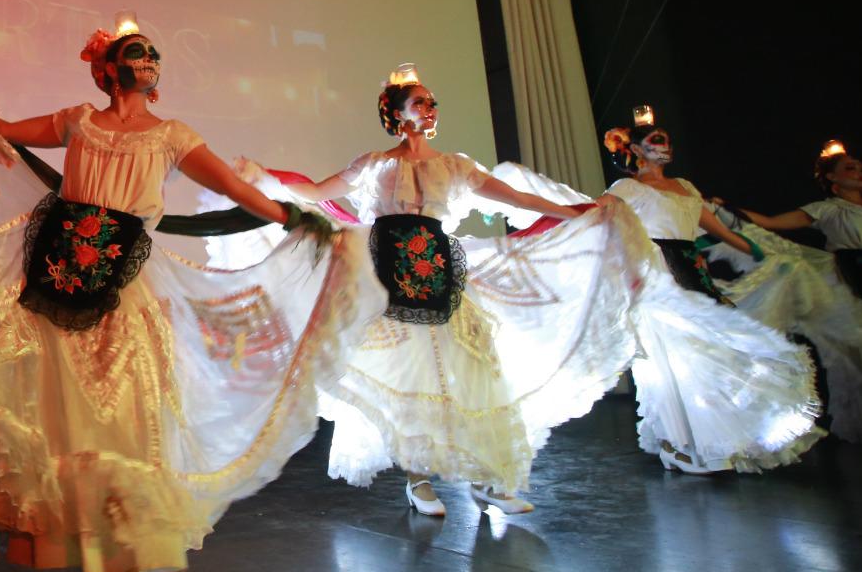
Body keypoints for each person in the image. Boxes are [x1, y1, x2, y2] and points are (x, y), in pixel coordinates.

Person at [0, 21, 380, 572]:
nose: (146, 60)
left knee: (125, 407)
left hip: (124, 285)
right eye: (134, 52)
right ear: (108, 68)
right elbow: (3, 134)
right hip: (59, 278)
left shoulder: (171, 135)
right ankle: (77, 542)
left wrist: (286, 216)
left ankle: (125, 558)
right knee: (58, 410)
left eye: (152, 55)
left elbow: (232, 187)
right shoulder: (78, 121)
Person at [246, 65, 647, 516]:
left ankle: (489, 479)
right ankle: (418, 479)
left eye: (432, 101)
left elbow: (519, 200)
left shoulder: (454, 165)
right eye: (420, 101)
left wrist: (578, 212)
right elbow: (318, 192)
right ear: (397, 114)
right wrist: (264, 185)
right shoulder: (375, 164)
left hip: (439, 269)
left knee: (474, 369)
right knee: (412, 371)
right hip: (387, 272)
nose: (430, 107)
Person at [495, 107, 823, 473]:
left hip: (693, 274)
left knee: (710, 351)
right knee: (667, 359)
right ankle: (675, 442)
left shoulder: (686, 188)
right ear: (635, 150)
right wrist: (531, 222)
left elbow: (719, 230)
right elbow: (589, 211)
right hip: (654, 271)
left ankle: (715, 439)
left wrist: (760, 251)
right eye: (654, 139)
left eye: (665, 139)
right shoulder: (627, 188)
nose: (663, 145)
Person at [711, 140, 862, 441]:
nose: (860, 172)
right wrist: (726, 211)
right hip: (853, 279)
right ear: (832, 178)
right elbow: (772, 223)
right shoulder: (828, 210)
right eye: (850, 168)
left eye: (861, 168)